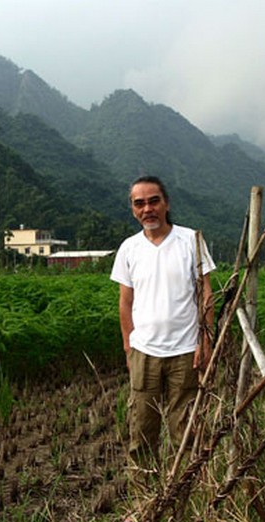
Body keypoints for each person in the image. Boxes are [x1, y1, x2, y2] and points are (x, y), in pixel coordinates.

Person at [110, 175, 215, 472]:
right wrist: (128, 346)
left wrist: (205, 342)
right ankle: (147, 500)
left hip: (186, 351)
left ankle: (192, 495)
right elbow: (125, 303)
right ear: (132, 209)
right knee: (142, 430)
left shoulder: (190, 241)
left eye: (153, 201)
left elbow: (206, 295)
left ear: (166, 203)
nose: (147, 209)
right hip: (144, 352)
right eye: (139, 203)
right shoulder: (129, 249)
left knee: (187, 430)